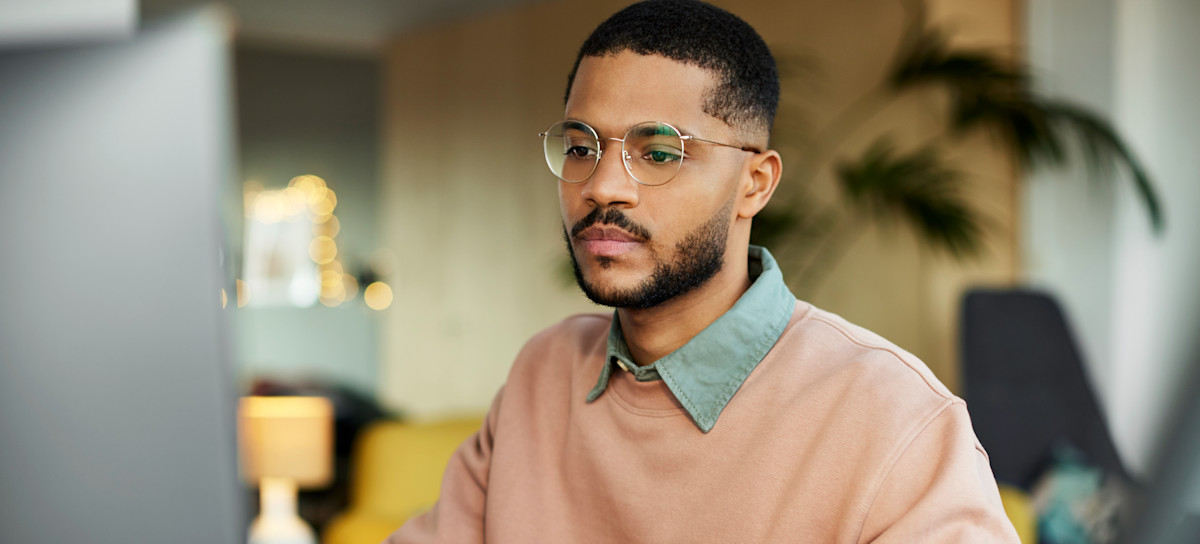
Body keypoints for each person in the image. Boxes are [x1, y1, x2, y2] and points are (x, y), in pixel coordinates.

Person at [387, 0, 1020, 541]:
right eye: (582, 148)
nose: (604, 186)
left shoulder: (892, 415)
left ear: (754, 184)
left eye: (658, 152)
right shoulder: (543, 375)